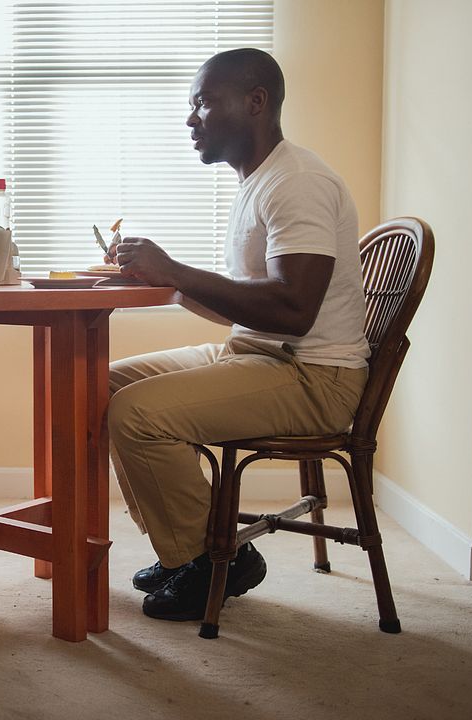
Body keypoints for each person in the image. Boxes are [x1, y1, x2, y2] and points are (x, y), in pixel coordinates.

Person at [106, 48, 370, 622]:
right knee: (97, 385)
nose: (190, 119)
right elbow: (245, 310)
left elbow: (294, 309)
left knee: (135, 413)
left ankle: (213, 559)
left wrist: (176, 270)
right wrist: (166, 283)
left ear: (256, 102)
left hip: (313, 374)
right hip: (259, 353)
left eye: (202, 102)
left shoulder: (296, 182)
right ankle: (188, 553)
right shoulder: (259, 181)